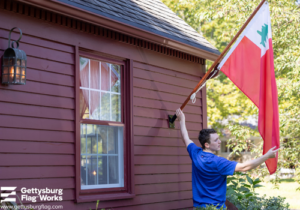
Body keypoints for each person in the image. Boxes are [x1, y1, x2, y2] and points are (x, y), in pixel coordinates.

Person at [175, 108, 279, 209]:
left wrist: (182, 120)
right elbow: (244, 167)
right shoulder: (218, 162)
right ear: (206, 144)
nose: (219, 141)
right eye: (216, 140)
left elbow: (185, 137)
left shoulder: (195, 154)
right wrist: (267, 156)